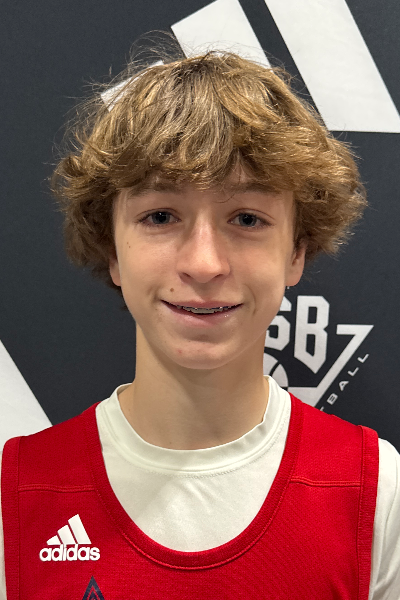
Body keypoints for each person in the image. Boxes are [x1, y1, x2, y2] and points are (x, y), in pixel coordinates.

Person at [1, 50, 399, 599]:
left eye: (247, 218)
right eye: (161, 216)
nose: (204, 263)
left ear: (296, 251)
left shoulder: (376, 490)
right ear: (112, 250)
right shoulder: (18, 496)